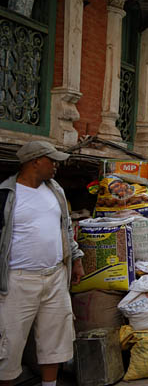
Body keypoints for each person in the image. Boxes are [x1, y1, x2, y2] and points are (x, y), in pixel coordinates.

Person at [0, 140, 85, 386]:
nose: (56, 165)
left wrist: (76, 258)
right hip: (18, 280)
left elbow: (66, 229)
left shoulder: (55, 190)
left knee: (55, 338)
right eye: (52, 160)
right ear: (35, 161)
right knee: (9, 342)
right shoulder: (6, 194)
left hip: (55, 276)